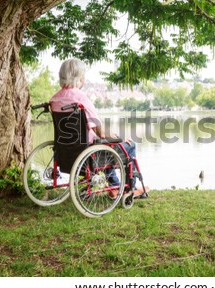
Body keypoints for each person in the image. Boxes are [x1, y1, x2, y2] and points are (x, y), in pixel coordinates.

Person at [49, 58, 148, 198]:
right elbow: (100, 132)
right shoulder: (80, 98)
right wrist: (118, 137)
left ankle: (114, 187)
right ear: (79, 78)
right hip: (88, 153)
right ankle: (129, 189)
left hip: (66, 152)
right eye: (83, 75)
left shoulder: (54, 99)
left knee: (106, 147)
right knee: (129, 145)